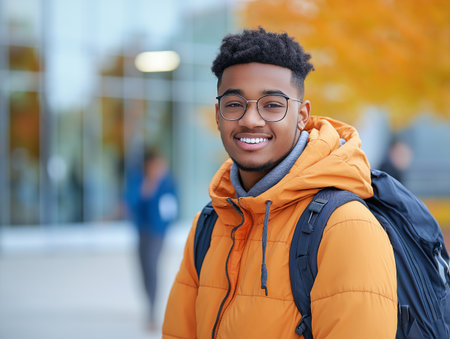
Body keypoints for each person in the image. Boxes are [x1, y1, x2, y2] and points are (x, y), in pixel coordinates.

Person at [163, 28, 397, 338]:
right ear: (218, 115)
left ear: (301, 115)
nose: (250, 119)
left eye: (272, 105)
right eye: (234, 104)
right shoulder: (208, 223)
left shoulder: (345, 226)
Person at [124, 149, 178, 331]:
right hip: (141, 231)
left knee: (152, 267)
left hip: (158, 233)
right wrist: (147, 186)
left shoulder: (167, 183)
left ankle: (151, 312)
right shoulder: (138, 179)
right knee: (144, 269)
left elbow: (172, 208)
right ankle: (149, 303)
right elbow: (130, 202)